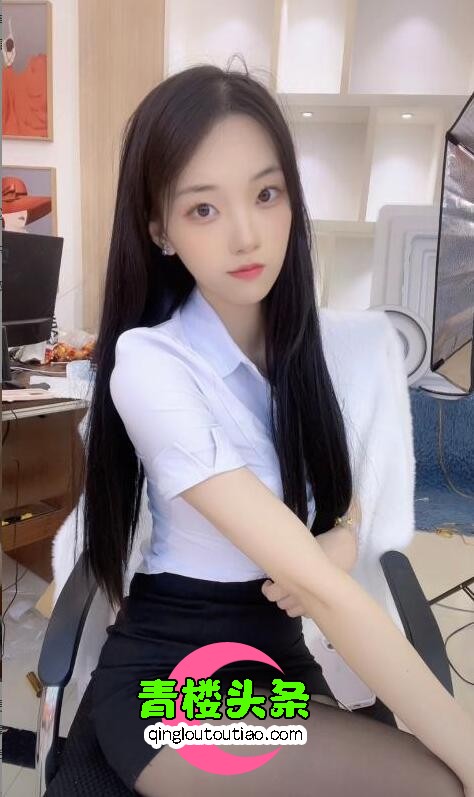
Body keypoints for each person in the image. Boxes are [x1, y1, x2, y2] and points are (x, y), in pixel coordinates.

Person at [80, 58, 474, 797]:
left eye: (266, 194)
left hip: (274, 664)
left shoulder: (306, 350)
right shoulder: (151, 363)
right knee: (436, 783)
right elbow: (324, 592)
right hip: (174, 688)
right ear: (160, 228)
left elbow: (344, 492)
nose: (246, 235)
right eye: (203, 209)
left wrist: (344, 534)